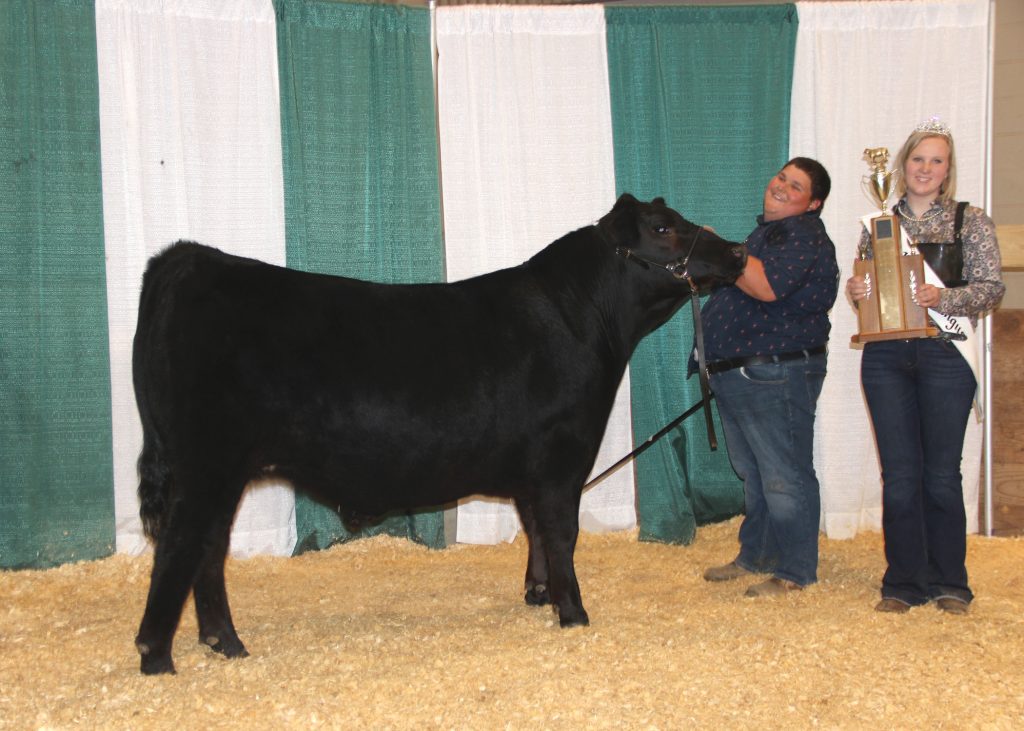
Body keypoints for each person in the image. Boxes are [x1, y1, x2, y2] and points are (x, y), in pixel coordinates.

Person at [847, 119, 1004, 615]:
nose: (925, 169)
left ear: (947, 170)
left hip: (944, 353)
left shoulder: (969, 220)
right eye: (918, 159)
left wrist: (945, 297)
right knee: (899, 474)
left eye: (936, 161)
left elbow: (991, 288)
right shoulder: (878, 223)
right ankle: (903, 581)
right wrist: (858, 293)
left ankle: (950, 581)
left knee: (940, 474)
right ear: (903, 165)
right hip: (887, 356)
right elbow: (868, 285)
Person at [698, 157, 838, 597]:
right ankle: (757, 554)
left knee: (784, 474)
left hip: (776, 371)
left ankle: (797, 571)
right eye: (781, 177)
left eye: (795, 186)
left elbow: (768, 286)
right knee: (756, 472)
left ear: (812, 204)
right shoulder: (767, 235)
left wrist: (724, 250)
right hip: (746, 372)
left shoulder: (804, 235)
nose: (781, 186)